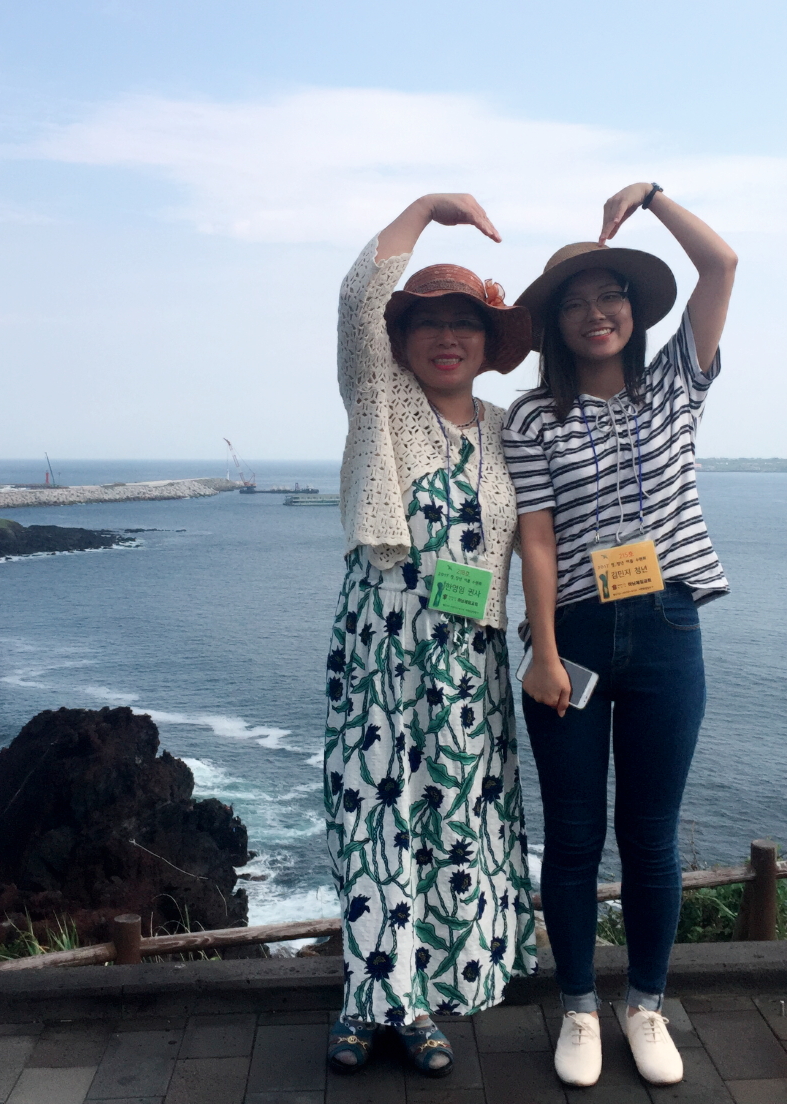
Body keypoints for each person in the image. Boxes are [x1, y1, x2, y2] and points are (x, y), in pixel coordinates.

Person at [502, 180, 737, 1088]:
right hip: (576, 632)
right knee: (571, 835)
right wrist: (544, 652)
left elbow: (721, 264)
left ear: (634, 310)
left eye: (611, 297)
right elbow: (537, 539)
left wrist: (653, 197)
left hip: (670, 622)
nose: (596, 313)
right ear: (555, 324)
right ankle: (576, 1007)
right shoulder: (534, 417)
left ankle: (643, 1002)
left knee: (650, 834)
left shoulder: (675, 382)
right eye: (576, 303)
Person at [324, 193, 539, 1078]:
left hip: (471, 657)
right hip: (383, 641)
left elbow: (539, 538)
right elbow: (358, 298)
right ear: (403, 339)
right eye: (429, 323)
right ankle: (379, 1001)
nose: (447, 338)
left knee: (458, 818)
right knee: (375, 813)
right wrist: (427, 209)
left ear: (489, 344)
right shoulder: (381, 400)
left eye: (466, 323)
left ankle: (448, 980)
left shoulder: (506, 430)